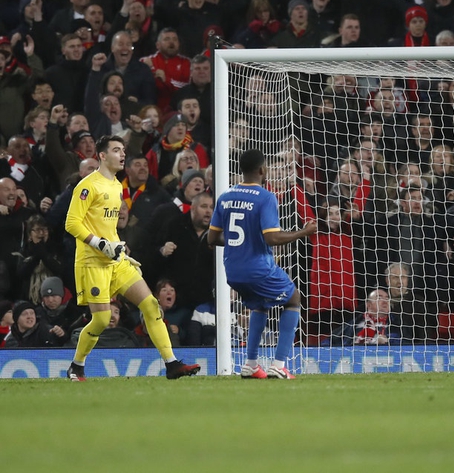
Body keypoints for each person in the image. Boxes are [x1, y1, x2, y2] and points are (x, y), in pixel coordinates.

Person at [64, 135, 200, 381]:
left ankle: (172, 364)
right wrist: (99, 244)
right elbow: (72, 223)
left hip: (114, 260)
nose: (122, 154)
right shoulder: (88, 185)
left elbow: (108, 227)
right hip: (92, 262)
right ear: (102, 156)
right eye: (116, 150)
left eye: (123, 150)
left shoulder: (117, 185)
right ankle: (77, 365)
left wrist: (120, 250)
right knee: (102, 318)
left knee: (150, 305)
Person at [206, 149, 318, 379]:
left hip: (233, 271)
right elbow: (272, 238)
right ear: (262, 170)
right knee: (294, 298)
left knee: (260, 305)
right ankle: (278, 364)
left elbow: (212, 239)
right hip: (257, 268)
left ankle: (250, 364)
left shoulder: (225, 197)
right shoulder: (266, 197)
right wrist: (303, 232)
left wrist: (241, 242)